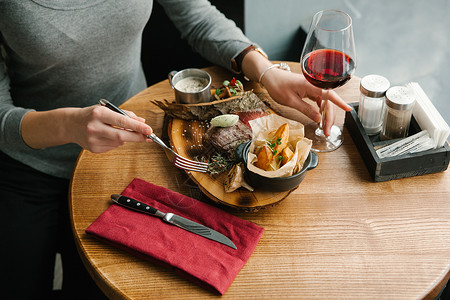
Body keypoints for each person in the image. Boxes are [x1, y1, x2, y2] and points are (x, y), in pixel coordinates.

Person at [0, 1, 352, 298]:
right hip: (30, 166)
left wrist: (265, 71)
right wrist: (67, 126)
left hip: (131, 144)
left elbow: (196, 14)